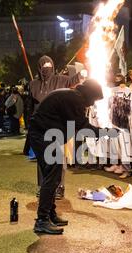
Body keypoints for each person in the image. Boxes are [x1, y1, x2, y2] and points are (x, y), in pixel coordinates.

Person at [28, 80, 106, 235]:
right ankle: (42, 220)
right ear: (89, 94)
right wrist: (104, 132)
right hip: (43, 137)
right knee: (52, 178)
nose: (92, 103)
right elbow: (82, 126)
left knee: (53, 177)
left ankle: (50, 215)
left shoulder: (72, 95)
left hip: (44, 136)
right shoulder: (74, 99)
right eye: (94, 99)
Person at [27, 55, 87, 200]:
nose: (46, 68)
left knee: (59, 158)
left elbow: (73, 81)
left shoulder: (61, 80)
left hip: (58, 126)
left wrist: (82, 73)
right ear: (39, 67)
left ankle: (59, 186)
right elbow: (30, 104)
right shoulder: (33, 84)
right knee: (43, 158)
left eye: (49, 65)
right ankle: (43, 187)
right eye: (43, 66)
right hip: (41, 126)